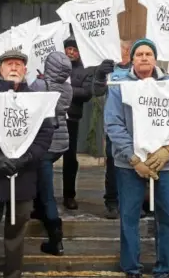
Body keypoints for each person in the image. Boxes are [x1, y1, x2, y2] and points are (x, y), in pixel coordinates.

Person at [0, 49, 54, 278]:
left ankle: (13, 274)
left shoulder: (37, 100)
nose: (14, 67)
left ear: (25, 70)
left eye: (18, 64)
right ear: (0, 69)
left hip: (23, 178)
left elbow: (45, 135)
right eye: (9, 64)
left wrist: (26, 158)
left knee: (16, 235)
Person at [105, 38, 169, 278]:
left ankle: (165, 269)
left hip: (165, 163)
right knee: (129, 217)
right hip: (128, 164)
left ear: (155, 59)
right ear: (132, 59)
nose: (144, 57)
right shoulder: (118, 85)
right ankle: (131, 268)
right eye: (139, 53)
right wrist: (134, 159)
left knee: (167, 218)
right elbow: (113, 124)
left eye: (148, 54)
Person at [62, 36, 114, 210]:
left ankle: (69, 195)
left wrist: (64, 89)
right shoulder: (55, 67)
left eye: (74, 49)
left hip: (72, 118)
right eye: (68, 49)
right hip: (51, 117)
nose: (71, 52)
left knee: (70, 158)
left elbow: (86, 93)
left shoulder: (85, 70)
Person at [29, 51, 73, 256]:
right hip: (61, 140)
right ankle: (38, 210)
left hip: (44, 141)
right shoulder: (67, 86)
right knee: (41, 177)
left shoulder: (39, 85)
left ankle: (56, 239)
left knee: (47, 192)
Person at [102, 39, 133, 219]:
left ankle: (128, 201)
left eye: (125, 51)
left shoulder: (135, 71)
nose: (122, 54)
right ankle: (112, 201)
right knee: (113, 164)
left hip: (134, 124)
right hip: (114, 122)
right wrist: (100, 77)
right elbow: (97, 91)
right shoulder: (109, 70)